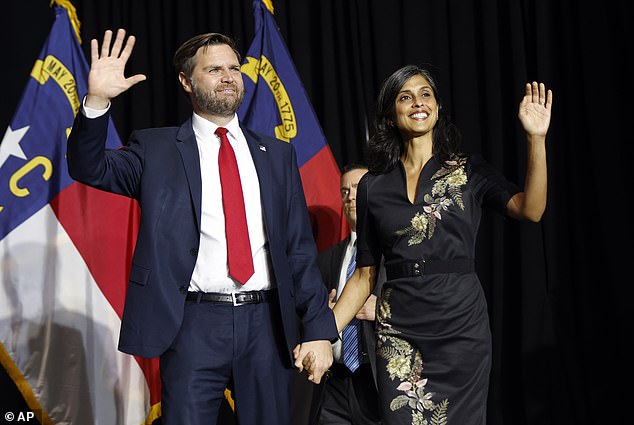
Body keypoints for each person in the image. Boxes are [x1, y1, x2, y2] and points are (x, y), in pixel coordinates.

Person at [66, 29, 337, 425]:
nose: (229, 76)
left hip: (267, 326)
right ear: (186, 81)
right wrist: (97, 102)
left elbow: (298, 249)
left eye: (234, 68)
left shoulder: (276, 154)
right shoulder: (155, 149)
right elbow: (88, 167)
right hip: (193, 324)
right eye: (214, 69)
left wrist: (317, 328)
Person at [326, 65, 552, 425]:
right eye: (405, 96)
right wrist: (323, 335)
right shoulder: (373, 186)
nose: (418, 102)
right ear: (390, 114)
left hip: (460, 330)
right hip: (399, 334)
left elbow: (532, 209)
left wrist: (535, 140)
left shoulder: (468, 171)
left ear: (438, 107)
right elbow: (364, 276)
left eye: (425, 94)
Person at [309, 164, 384, 425]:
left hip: (378, 380)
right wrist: (322, 314)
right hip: (335, 384)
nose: (350, 196)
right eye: (344, 191)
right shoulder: (326, 259)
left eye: (357, 188)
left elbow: (425, 304)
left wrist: (385, 309)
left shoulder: (396, 252)